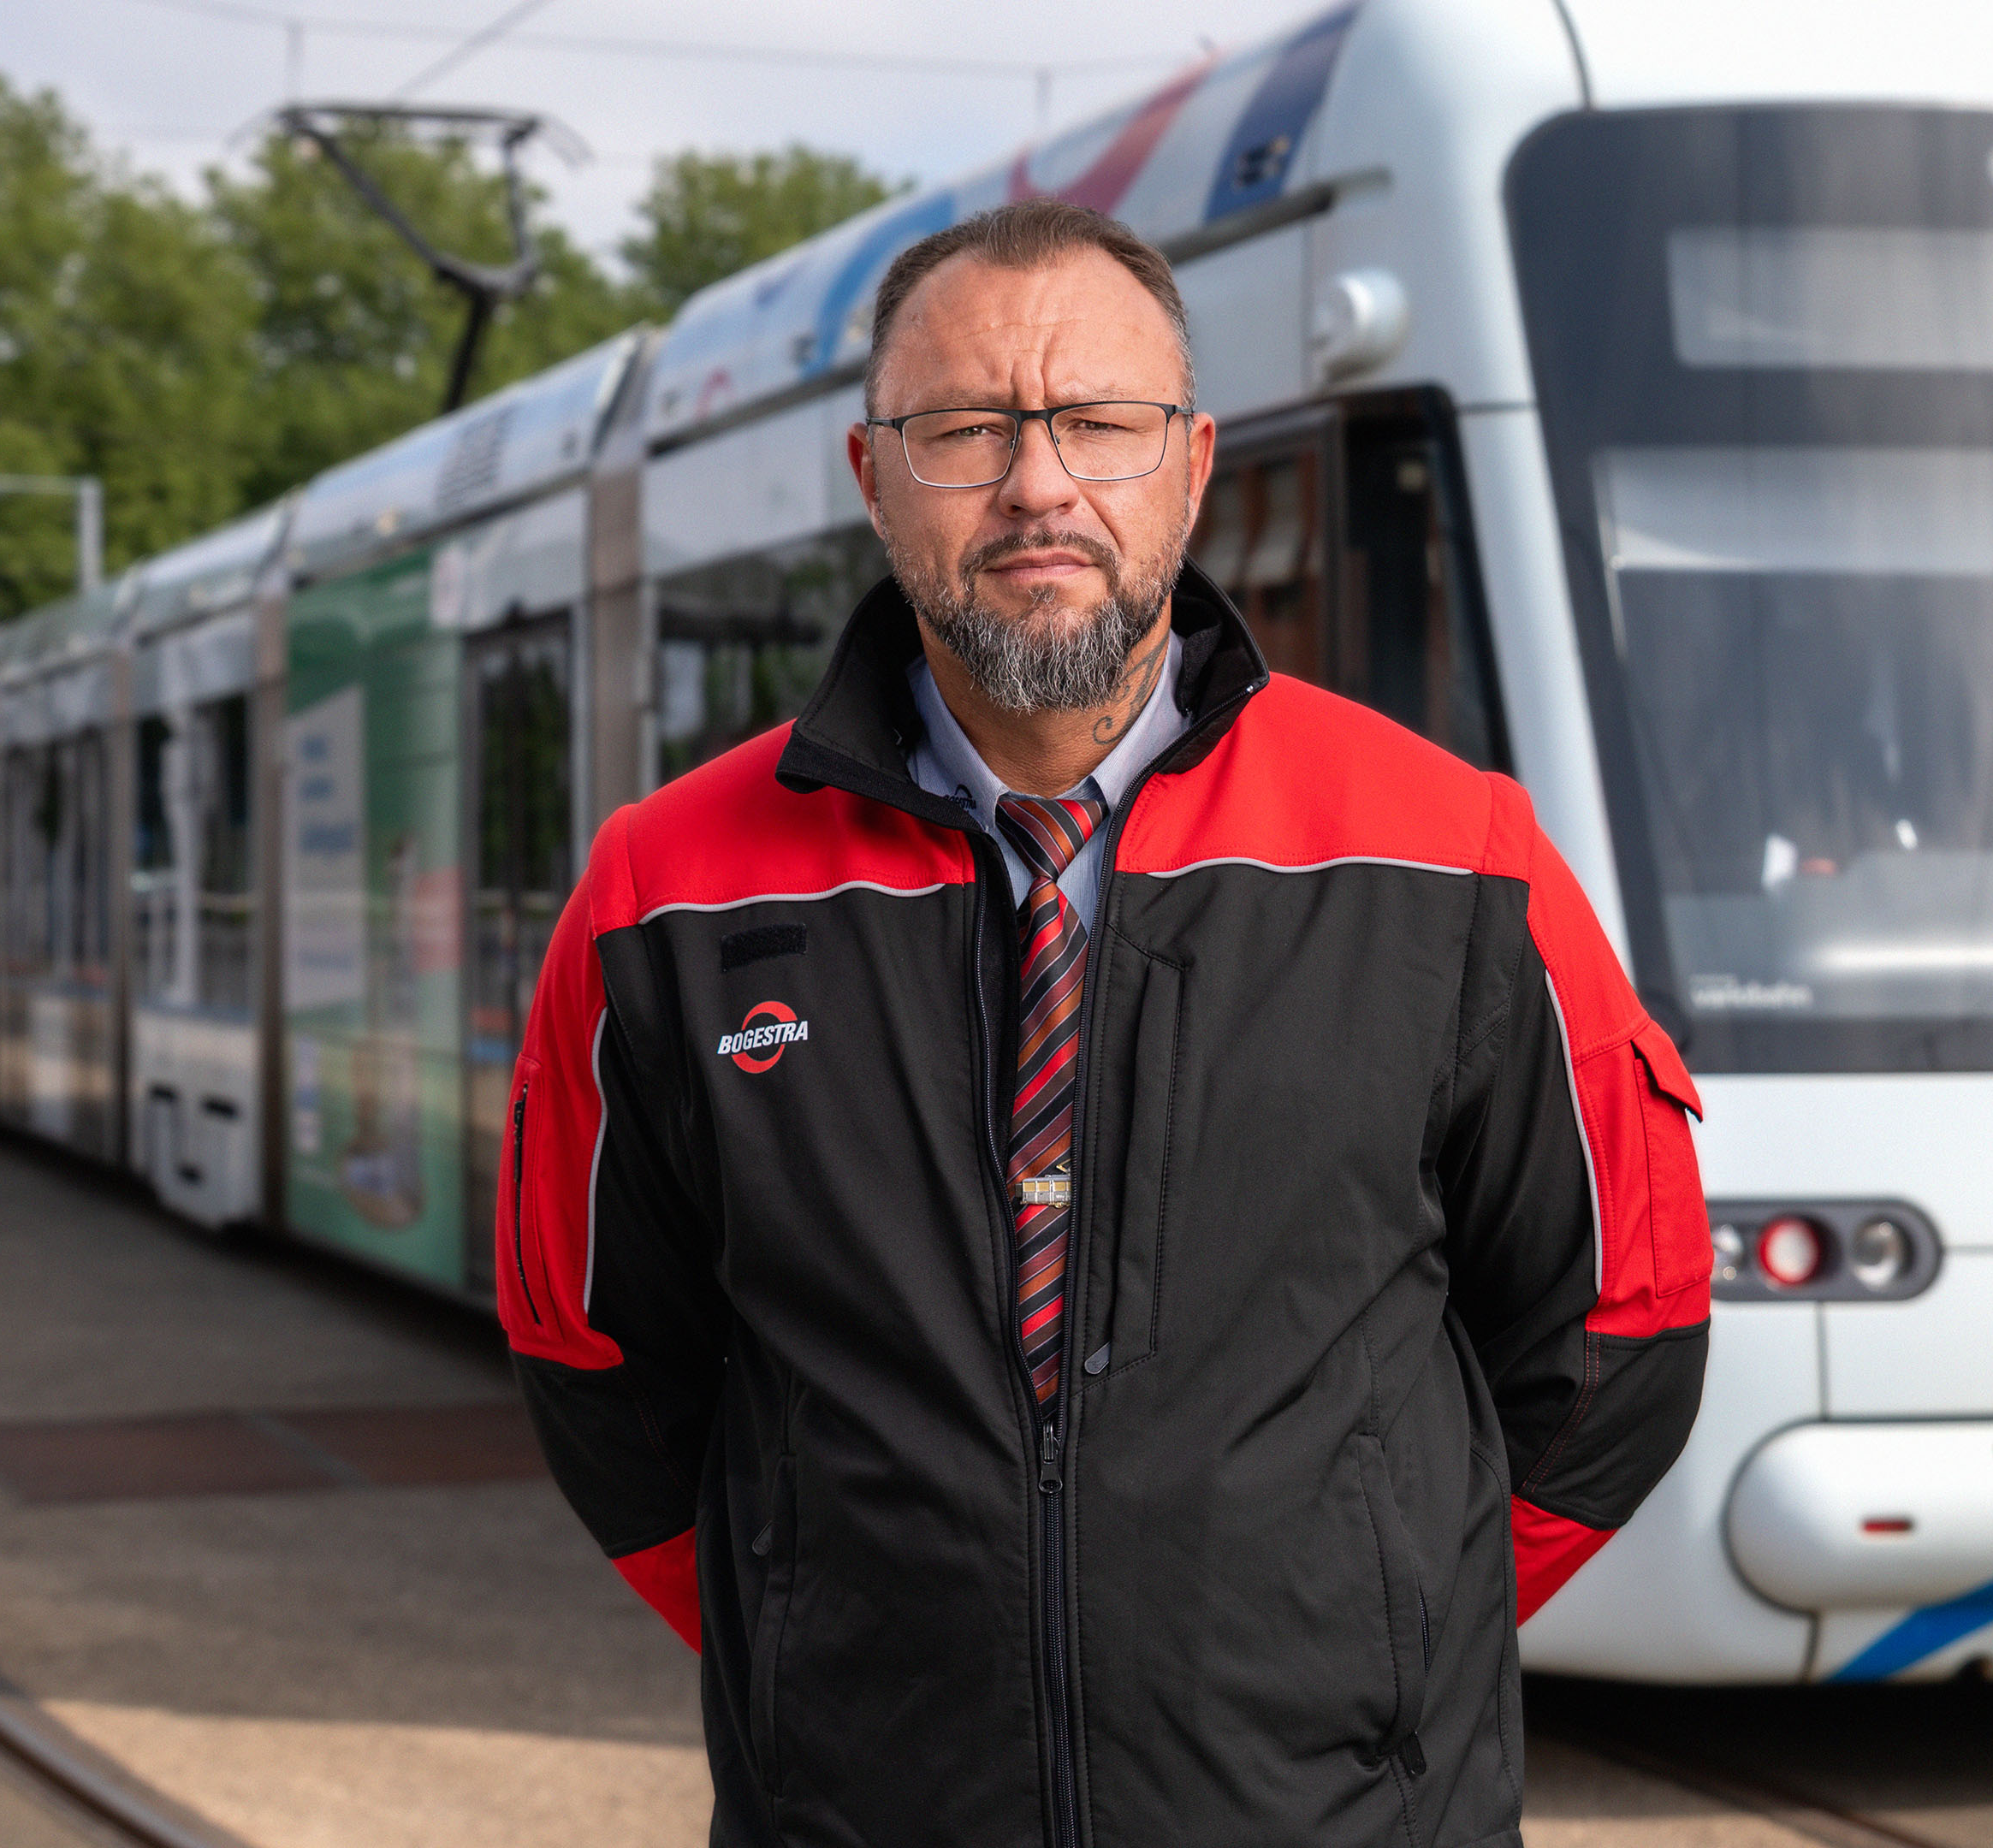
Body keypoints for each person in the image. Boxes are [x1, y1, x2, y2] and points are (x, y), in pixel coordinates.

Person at [499, 198, 1711, 1848]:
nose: (1039, 484)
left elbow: (1621, 1328)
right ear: (871, 475)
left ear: (1193, 466)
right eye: (964, 430)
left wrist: (1378, 1635)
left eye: (1099, 423)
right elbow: (597, 1357)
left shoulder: (1456, 856)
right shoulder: (666, 893)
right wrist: (828, 1641)